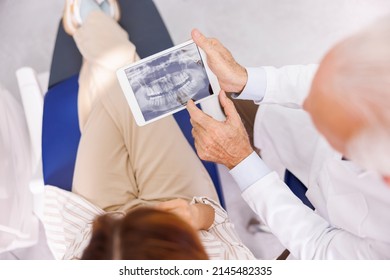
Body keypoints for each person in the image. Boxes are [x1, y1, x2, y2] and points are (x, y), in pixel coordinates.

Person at [42, 0, 255, 260]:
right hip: (178, 204)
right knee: (124, 88)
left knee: (114, 85)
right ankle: (91, 23)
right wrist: (195, 215)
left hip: (97, 219)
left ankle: (95, 25)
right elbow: (223, 230)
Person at [186, 16, 390, 259]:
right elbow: (337, 77)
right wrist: (248, 80)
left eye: (326, 123)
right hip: (316, 163)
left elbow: (318, 245)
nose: (310, 106)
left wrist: (240, 161)